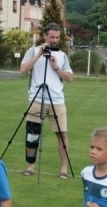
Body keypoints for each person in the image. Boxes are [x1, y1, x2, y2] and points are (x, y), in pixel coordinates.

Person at [20, 22, 74, 178]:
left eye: (57, 37)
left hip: (57, 100)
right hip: (36, 98)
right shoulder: (33, 51)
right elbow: (23, 70)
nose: (54, 40)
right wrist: (38, 55)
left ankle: (63, 169)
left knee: (62, 135)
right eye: (52, 37)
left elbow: (70, 78)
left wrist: (56, 67)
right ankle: (30, 166)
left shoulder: (62, 55)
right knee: (32, 133)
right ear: (45, 36)